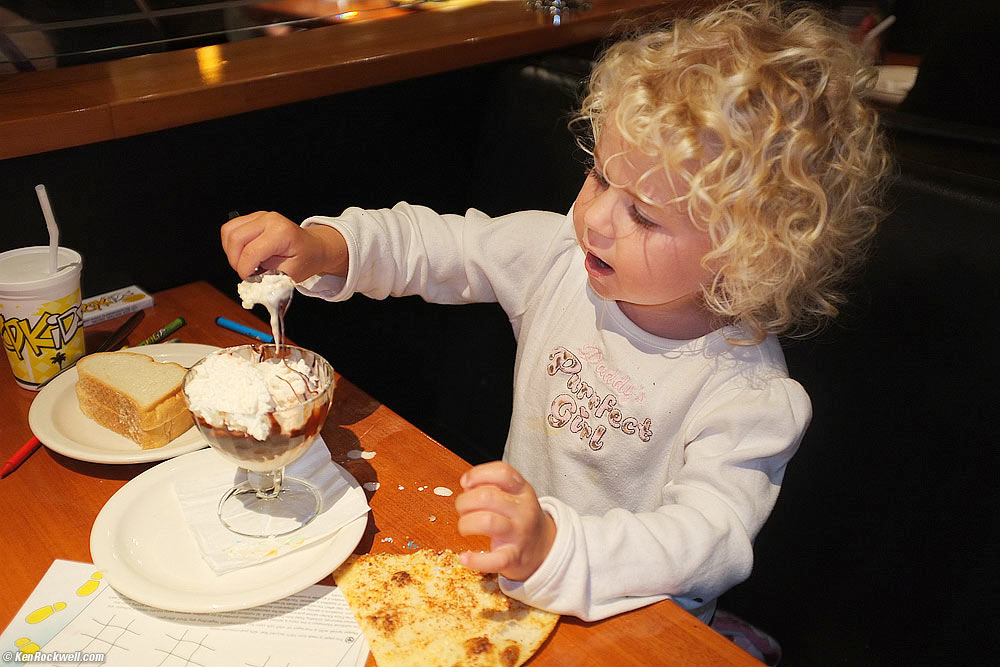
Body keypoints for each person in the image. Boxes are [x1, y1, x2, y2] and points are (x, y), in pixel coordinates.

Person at [220, 1, 887, 662]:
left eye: (645, 216)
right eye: (600, 175)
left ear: (749, 254)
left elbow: (704, 541)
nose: (597, 218)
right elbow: (441, 244)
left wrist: (554, 546)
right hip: (510, 585)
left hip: (636, 630)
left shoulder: (748, 393)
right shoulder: (559, 262)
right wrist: (324, 246)